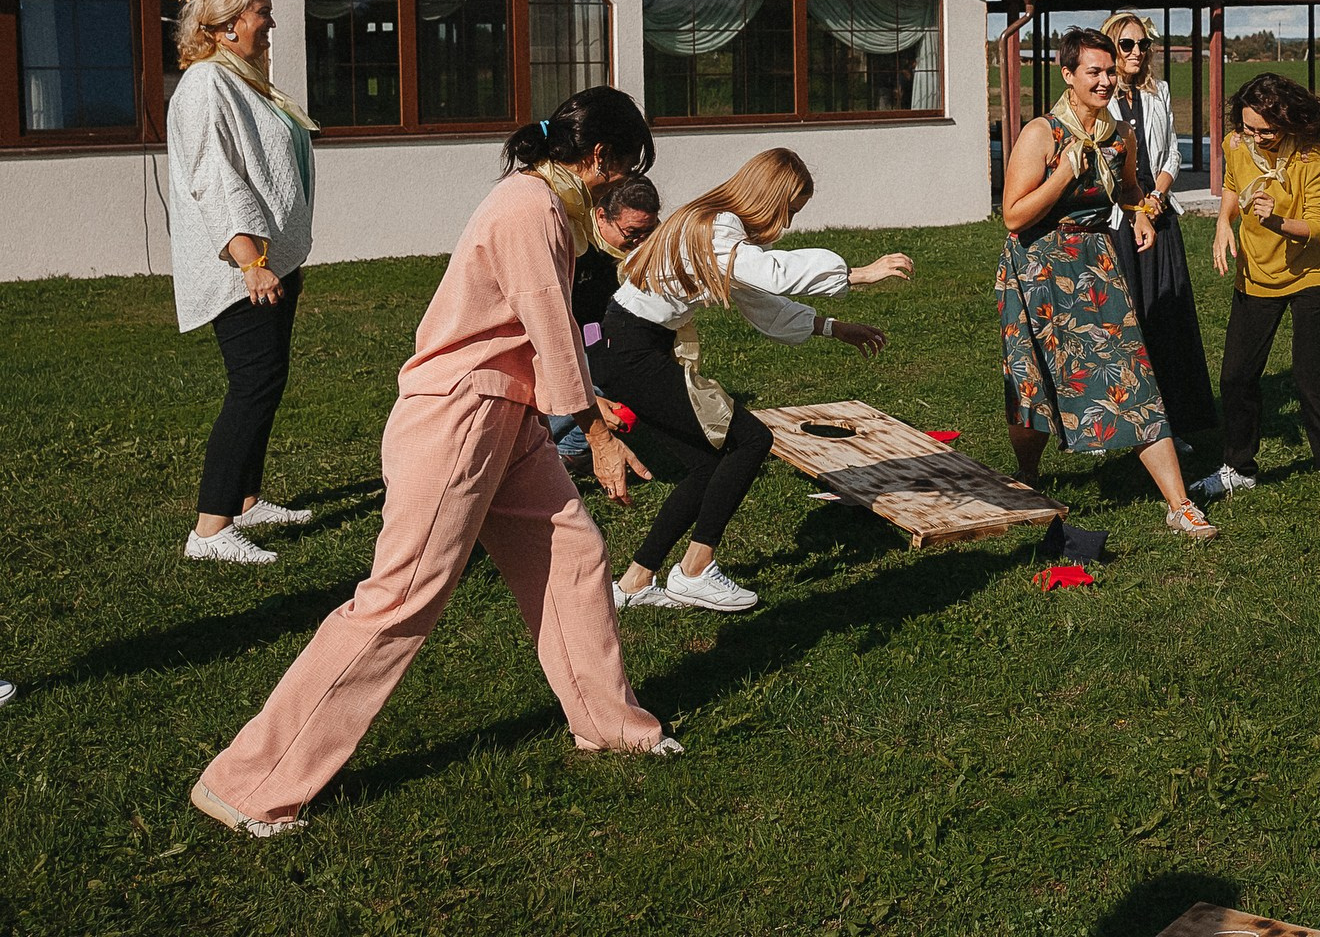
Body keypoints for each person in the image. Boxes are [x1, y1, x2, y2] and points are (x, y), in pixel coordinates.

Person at [192, 87, 676, 838]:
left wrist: (588, 408)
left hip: (501, 411)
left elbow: (535, 337)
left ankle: (611, 724)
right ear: (599, 157)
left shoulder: (544, 204)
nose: (622, 184)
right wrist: (595, 429)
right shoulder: (532, 209)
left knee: (574, 555)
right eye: (624, 168)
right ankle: (248, 784)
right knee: (399, 601)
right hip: (461, 418)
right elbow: (552, 328)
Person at [603, 149, 908, 612]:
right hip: (633, 351)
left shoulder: (713, 227)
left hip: (630, 345)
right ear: (769, 198)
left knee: (707, 465)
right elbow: (771, 275)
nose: (786, 223)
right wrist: (857, 273)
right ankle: (694, 570)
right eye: (789, 210)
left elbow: (759, 300)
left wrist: (832, 327)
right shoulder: (716, 226)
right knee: (750, 441)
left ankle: (634, 583)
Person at [997, 26, 1215, 538]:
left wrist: (1140, 214)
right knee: (1033, 378)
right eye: (1093, 71)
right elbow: (1013, 216)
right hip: (1037, 269)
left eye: (1109, 71)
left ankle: (1179, 504)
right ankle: (1028, 475)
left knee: (1131, 372)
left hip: (1095, 265)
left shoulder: (1119, 137)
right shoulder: (1042, 134)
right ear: (1067, 75)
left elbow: (1131, 187)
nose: (1104, 80)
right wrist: (1062, 173)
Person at [166, 0, 319, 565]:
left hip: (268, 261)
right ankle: (210, 529)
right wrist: (251, 261)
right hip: (243, 266)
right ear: (228, 25)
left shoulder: (241, 79)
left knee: (267, 380)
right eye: (262, 11)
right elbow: (216, 179)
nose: (271, 22)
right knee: (253, 384)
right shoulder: (207, 84)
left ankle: (246, 501)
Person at [1191, 72, 1320, 529]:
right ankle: (1239, 467)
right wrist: (1223, 224)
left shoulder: (1315, 160)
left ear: (1288, 121)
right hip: (1257, 274)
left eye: (1265, 131)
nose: (1255, 137)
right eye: (1249, 128)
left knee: (1311, 384)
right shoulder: (1236, 143)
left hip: (1312, 275)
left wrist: (1276, 221)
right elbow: (1233, 184)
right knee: (1236, 376)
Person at [1100, 10, 1217, 445]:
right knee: (1126, 321)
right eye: (1127, 44)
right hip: (1117, 221)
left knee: (1169, 320)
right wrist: (1135, 208)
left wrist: (1157, 196)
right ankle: (1120, 421)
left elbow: (1171, 154)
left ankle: (1173, 422)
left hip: (1160, 215)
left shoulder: (1158, 92)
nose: (1136, 52)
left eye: (1143, 44)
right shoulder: (1099, 98)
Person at [554, 175, 662, 473]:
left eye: (650, 231)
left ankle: (571, 450)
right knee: (599, 380)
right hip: (560, 346)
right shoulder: (574, 248)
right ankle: (559, 450)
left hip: (600, 336)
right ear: (601, 217)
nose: (640, 241)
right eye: (632, 232)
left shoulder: (634, 255)